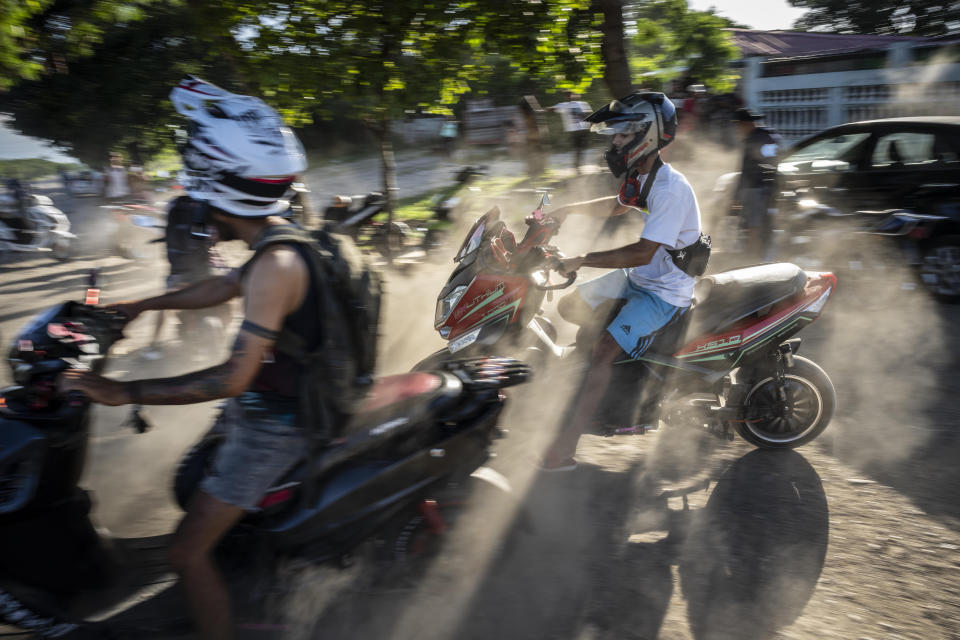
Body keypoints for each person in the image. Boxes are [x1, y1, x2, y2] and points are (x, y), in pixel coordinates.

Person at [60, 76, 313, 640]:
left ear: (213, 184)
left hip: (282, 422)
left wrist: (121, 392)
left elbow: (232, 376)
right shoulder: (280, 239)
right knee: (194, 476)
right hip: (283, 400)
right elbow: (221, 287)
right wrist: (138, 304)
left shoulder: (277, 263)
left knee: (185, 551)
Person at [539, 92, 702, 471]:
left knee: (603, 351)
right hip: (640, 279)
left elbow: (644, 252)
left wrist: (582, 259)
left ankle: (565, 448)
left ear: (647, 136)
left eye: (622, 135)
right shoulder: (643, 176)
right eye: (615, 135)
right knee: (569, 306)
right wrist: (563, 211)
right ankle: (583, 386)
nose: (614, 141)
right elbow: (615, 205)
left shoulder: (669, 189)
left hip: (665, 293)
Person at [731, 107, 781, 262]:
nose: (738, 130)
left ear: (746, 124)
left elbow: (745, 169)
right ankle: (766, 257)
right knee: (767, 227)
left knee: (753, 228)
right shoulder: (772, 136)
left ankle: (752, 261)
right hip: (772, 189)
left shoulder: (751, 140)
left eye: (739, 126)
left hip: (754, 189)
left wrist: (736, 196)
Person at [547, 90, 592, 174]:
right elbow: (552, 109)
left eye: (572, 94)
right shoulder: (564, 105)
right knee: (578, 148)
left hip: (583, 130)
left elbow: (588, 115)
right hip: (574, 131)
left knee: (581, 149)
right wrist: (541, 110)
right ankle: (577, 166)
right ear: (567, 97)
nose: (571, 96)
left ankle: (578, 165)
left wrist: (590, 126)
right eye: (569, 95)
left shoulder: (583, 104)